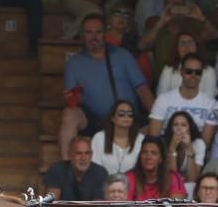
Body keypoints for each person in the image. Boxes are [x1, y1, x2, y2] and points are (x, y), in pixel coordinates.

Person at [59, 14, 154, 151]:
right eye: (89, 32)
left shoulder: (123, 55)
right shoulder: (74, 64)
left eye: (98, 32)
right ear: (82, 35)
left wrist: (156, 115)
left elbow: (142, 90)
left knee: (155, 126)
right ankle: (67, 168)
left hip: (128, 118)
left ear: (105, 33)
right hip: (96, 122)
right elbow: (72, 100)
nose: (94, 36)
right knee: (69, 114)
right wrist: (70, 97)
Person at [148, 53, 218, 141]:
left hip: (196, 151)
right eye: (189, 71)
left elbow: (204, 144)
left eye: (198, 72)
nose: (193, 76)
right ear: (181, 72)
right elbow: (153, 138)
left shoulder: (211, 104)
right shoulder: (163, 99)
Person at [42, 135, 107, 200]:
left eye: (87, 153)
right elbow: (52, 205)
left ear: (91, 155)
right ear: (69, 155)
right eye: (79, 153)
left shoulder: (100, 172)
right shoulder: (56, 170)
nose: (83, 158)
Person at [154, 31, 217, 97]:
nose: (187, 47)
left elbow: (209, 101)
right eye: (182, 43)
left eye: (190, 43)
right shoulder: (168, 69)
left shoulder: (209, 71)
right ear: (177, 48)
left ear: (197, 46)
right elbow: (161, 97)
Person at [90, 99, 145, 175]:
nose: (126, 116)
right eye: (121, 113)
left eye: (130, 114)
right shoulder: (99, 138)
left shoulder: (141, 139)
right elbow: (94, 168)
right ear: (113, 118)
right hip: (104, 184)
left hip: (132, 185)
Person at [126, 136, 186, 200]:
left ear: (161, 158)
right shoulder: (129, 177)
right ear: (140, 156)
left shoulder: (173, 177)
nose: (148, 157)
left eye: (154, 153)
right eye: (144, 152)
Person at [158, 110, 205, 183]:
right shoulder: (163, 143)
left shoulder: (198, 144)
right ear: (171, 129)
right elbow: (171, 179)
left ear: (189, 129)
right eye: (175, 125)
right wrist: (172, 149)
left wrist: (189, 148)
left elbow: (192, 179)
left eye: (183, 125)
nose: (179, 128)